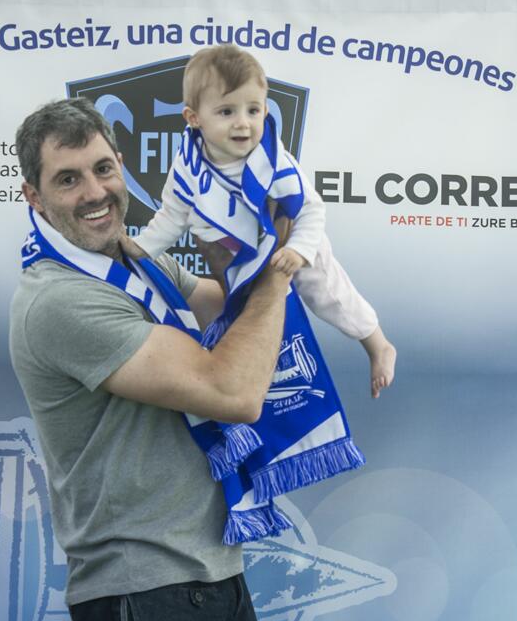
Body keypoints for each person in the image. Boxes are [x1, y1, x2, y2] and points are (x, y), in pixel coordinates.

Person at [10, 97, 292, 621]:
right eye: (68, 180)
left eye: (103, 168)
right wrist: (278, 272)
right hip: (143, 590)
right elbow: (233, 390)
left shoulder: (137, 261)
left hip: (209, 569)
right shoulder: (61, 300)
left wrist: (239, 233)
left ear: (121, 164)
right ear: (34, 199)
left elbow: (226, 314)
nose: (94, 192)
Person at [123, 44, 397, 399]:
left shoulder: (272, 160)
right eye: (226, 111)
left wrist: (299, 251)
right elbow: (172, 216)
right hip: (237, 256)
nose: (243, 123)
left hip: (289, 241)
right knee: (249, 326)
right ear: (194, 118)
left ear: (265, 109)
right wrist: (141, 248)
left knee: (327, 292)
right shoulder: (188, 164)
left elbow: (311, 210)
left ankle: (377, 344)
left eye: (253, 110)